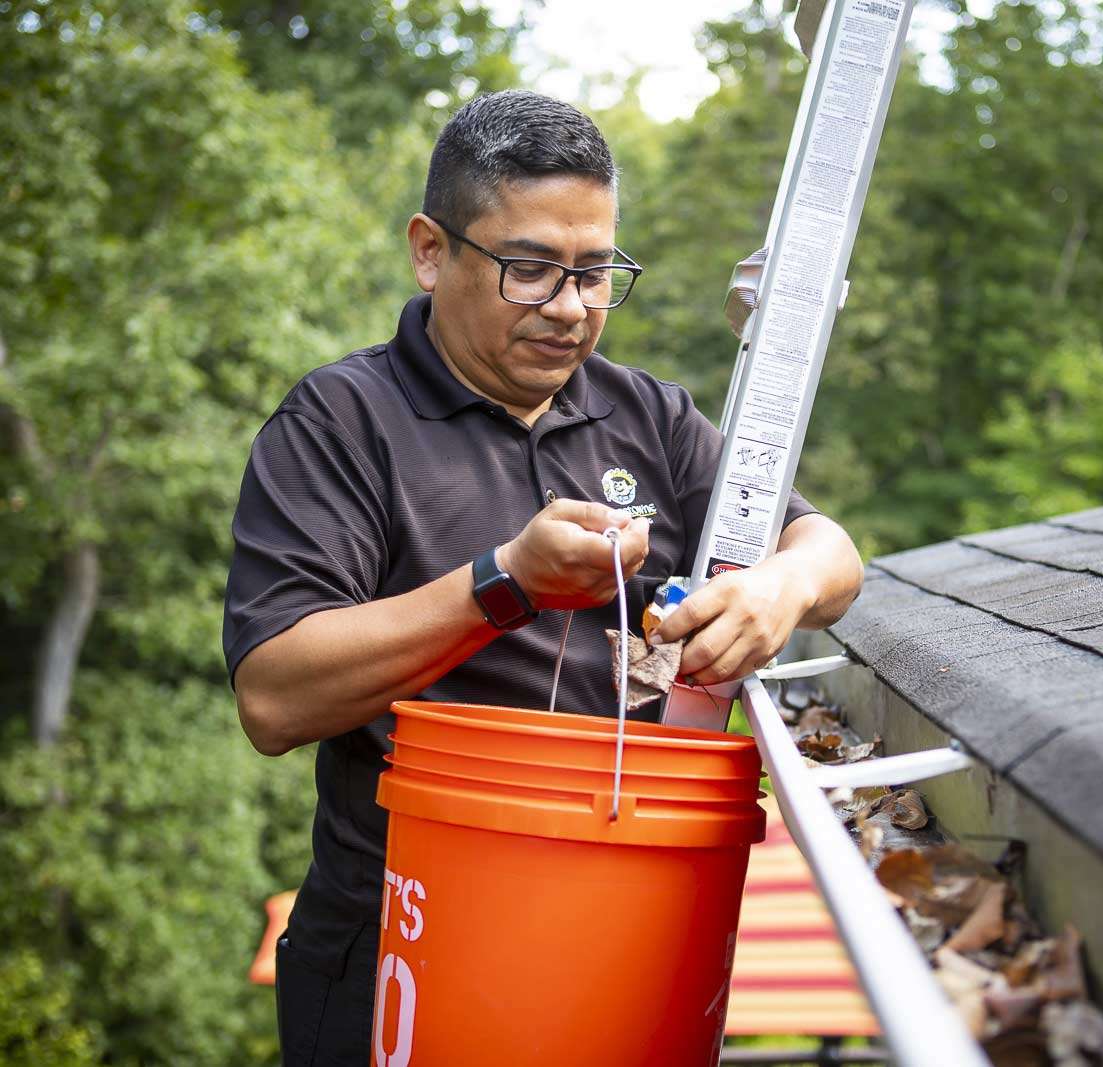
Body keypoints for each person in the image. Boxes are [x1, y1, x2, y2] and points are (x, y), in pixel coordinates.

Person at [222, 89, 862, 1066]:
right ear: (431, 249)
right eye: (529, 271)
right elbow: (273, 693)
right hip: (407, 942)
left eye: (596, 274)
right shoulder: (340, 424)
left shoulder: (645, 413)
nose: (569, 310)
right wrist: (504, 580)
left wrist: (777, 589)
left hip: (627, 934)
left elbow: (831, 553)